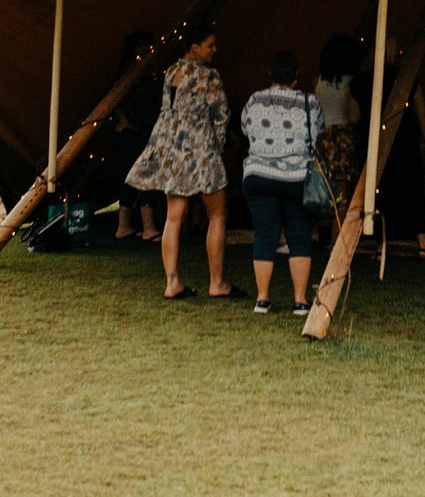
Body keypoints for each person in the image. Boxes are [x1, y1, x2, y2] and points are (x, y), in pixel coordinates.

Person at [125, 25, 246, 300]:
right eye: (210, 45)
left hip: (173, 149)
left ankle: (172, 281)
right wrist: (217, 146)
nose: (214, 50)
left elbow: (168, 111)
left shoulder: (170, 72)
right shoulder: (208, 75)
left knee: (173, 217)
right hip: (201, 148)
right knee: (217, 214)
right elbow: (221, 114)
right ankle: (217, 282)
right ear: (194, 46)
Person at [240, 49, 325, 316]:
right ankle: (300, 301)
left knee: (264, 236)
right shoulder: (309, 103)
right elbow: (318, 133)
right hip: (296, 178)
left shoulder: (255, 100)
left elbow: (245, 129)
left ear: (270, 75)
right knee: (300, 238)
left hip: (259, 175)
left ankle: (262, 299)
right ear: (296, 77)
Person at [353, 34, 425, 257]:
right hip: (404, 138)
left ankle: (381, 246)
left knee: (382, 189)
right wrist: (423, 138)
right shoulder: (404, 77)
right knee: (412, 188)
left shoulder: (364, 80)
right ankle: (423, 245)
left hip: (377, 139)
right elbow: (421, 108)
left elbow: (353, 114)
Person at [111, 29, 162, 243]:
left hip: (140, 130)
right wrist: (124, 121)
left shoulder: (142, 72)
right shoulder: (131, 73)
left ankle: (125, 225)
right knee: (142, 176)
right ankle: (147, 227)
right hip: (137, 131)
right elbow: (116, 99)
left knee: (132, 178)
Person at [314, 33, 362, 219]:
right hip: (344, 138)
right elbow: (354, 116)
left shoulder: (318, 81)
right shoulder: (351, 83)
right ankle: (338, 237)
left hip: (323, 136)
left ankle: (326, 232)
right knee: (343, 192)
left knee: (324, 188)